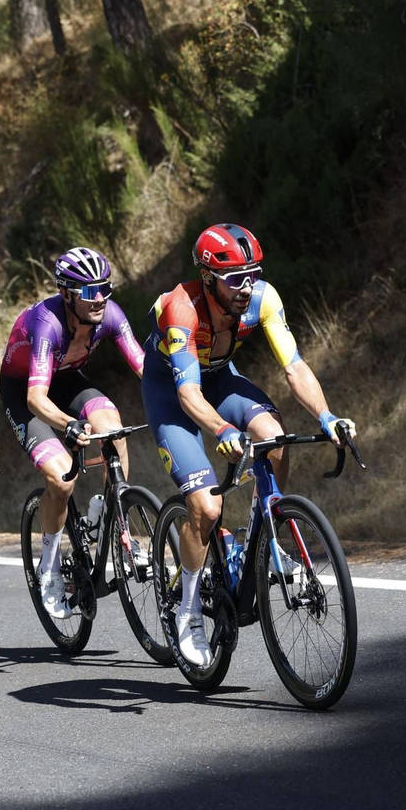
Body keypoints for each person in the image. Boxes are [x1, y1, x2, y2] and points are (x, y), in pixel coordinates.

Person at [143, 223, 357, 666]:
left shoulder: (263, 297)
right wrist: (222, 430)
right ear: (207, 278)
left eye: (253, 274)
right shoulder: (181, 309)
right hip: (171, 390)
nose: (247, 287)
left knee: (275, 439)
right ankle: (187, 612)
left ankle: (268, 539)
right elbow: (187, 395)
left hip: (220, 378)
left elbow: (294, 366)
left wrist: (327, 416)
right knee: (206, 506)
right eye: (235, 278)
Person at [0, 246, 145, 618]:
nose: (99, 298)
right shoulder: (46, 323)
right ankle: (48, 568)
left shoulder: (109, 312)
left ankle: (110, 518)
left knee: (114, 430)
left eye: (105, 288)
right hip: (25, 392)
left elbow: (143, 365)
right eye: (88, 292)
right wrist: (68, 424)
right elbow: (35, 398)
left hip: (67, 381)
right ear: (66, 293)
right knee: (63, 479)